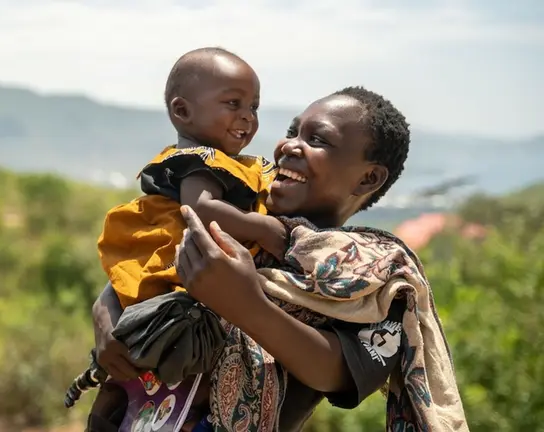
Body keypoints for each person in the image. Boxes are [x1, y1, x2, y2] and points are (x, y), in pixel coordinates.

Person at [92, 87, 468, 431]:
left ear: (368, 178)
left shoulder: (373, 277)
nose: (289, 145)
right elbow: (144, 265)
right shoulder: (234, 210)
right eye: (293, 131)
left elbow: (336, 371)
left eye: (317, 140)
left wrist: (246, 303)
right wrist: (106, 314)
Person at [97, 46, 282, 311]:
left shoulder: (211, 158)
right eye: (233, 103)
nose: (248, 116)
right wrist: (262, 228)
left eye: (254, 107)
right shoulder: (198, 160)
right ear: (182, 111)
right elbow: (201, 209)